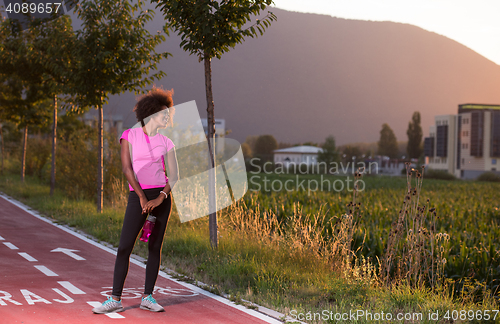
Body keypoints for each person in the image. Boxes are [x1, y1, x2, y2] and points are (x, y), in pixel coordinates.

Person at [93, 88, 178, 314]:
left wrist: (161, 197)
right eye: (163, 113)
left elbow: (175, 175)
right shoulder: (129, 136)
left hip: (161, 197)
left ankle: (147, 297)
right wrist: (141, 197)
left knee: (154, 247)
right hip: (137, 197)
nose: (167, 117)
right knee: (124, 247)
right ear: (150, 114)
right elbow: (127, 168)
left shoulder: (167, 142)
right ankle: (115, 298)